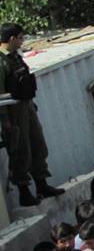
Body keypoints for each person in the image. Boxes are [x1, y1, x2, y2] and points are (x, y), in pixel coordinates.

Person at [0, 23, 63, 206]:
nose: (22, 41)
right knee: (20, 150)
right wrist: (6, 121)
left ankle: (42, 184)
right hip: (12, 112)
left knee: (37, 144)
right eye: (20, 38)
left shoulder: (15, 57)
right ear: (12, 39)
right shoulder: (2, 61)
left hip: (25, 106)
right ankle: (24, 192)